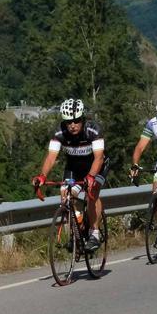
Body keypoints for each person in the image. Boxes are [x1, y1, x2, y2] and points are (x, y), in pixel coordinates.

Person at [32, 98, 109, 252]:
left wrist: (91, 176)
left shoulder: (92, 130)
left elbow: (99, 157)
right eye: (68, 122)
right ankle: (76, 234)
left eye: (76, 121)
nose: (72, 125)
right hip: (74, 168)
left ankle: (94, 233)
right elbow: (51, 157)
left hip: (96, 166)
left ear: (82, 119)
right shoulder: (59, 132)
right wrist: (42, 176)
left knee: (91, 193)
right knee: (66, 197)